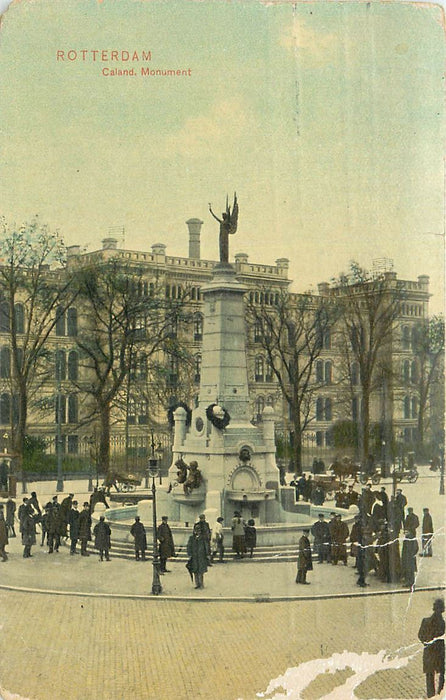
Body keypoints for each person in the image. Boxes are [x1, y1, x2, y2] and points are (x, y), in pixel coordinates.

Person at [418, 598, 445, 698]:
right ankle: (440, 694)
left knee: (430, 676)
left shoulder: (425, 621)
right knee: (442, 674)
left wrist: (426, 644)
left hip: (429, 653)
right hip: (439, 653)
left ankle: (431, 696)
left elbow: (420, 635)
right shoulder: (443, 624)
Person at [209, 193, 238, 264]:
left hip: (225, 237)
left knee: (225, 248)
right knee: (221, 248)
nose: (222, 216)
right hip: (221, 236)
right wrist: (211, 211)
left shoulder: (227, 221)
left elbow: (231, 216)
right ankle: (223, 261)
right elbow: (215, 218)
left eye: (223, 215)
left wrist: (229, 209)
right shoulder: (222, 222)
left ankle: (225, 261)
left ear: (225, 216)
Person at [186, 522, 209, 589]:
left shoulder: (203, 538)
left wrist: (207, 554)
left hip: (201, 557)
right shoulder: (191, 538)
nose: (197, 532)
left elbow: (206, 546)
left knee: (201, 571)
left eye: (199, 530)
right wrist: (189, 554)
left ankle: (201, 584)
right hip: (194, 557)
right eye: (196, 530)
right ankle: (197, 584)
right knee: (195, 571)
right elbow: (189, 546)